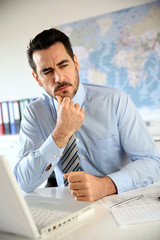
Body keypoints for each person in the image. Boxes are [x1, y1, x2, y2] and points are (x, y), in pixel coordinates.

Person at [14, 28, 160, 202]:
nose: (58, 77)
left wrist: (105, 185)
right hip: (69, 208)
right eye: (47, 72)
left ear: (76, 62)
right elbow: (24, 182)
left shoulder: (115, 101)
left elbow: (152, 163)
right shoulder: (34, 113)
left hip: (120, 201)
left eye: (63, 65)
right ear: (37, 78)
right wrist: (60, 134)